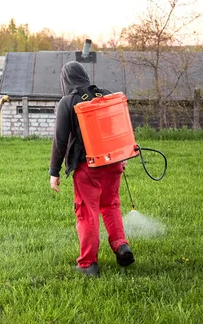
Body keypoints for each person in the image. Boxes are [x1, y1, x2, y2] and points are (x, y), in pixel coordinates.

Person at [49, 61, 134, 277]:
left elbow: (60, 141)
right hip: (114, 163)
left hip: (89, 167)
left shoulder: (67, 102)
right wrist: (122, 157)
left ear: (65, 80)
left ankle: (87, 264)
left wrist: (54, 171)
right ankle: (121, 246)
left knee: (87, 213)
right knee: (111, 205)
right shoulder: (104, 94)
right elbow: (118, 128)